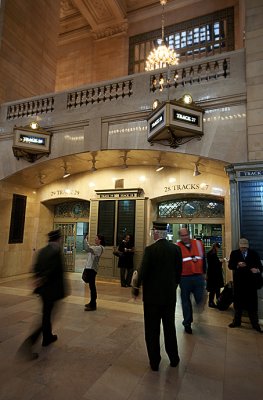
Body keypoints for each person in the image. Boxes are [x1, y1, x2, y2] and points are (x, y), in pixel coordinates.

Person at [132, 225, 182, 371]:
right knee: (169, 327)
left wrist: (136, 288)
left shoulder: (150, 250)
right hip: (169, 297)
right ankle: (174, 358)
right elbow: (179, 272)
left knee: (152, 330)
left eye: (153, 232)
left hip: (151, 299)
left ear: (156, 233)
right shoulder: (176, 249)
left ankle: (154, 362)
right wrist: (172, 287)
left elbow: (143, 271)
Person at [17, 229, 67, 360]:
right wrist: (43, 278)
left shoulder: (42, 251)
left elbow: (35, 268)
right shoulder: (56, 252)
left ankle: (48, 337)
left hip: (43, 290)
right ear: (58, 239)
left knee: (47, 314)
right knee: (46, 317)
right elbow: (52, 271)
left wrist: (38, 279)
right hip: (52, 291)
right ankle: (29, 343)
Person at [228, 238, 262, 332]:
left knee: (252, 305)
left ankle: (255, 324)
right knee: (238, 304)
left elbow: (260, 267)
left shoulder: (254, 254)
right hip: (239, 283)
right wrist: (238, 265)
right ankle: (237, 321)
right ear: (239, 246)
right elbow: (230, 266)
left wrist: (257, 270)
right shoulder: (234, 253)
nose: (244, 249)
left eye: (245, 248)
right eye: (242, 247)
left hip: (251, 284)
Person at [176, 227, 206, 334]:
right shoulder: (177, 247)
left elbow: (204, 259)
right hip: (184, 278)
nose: (184, 237)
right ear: (180, 236)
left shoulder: (198, 244)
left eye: (186, 235)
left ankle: (198, 309)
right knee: (185, 302)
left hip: (198, 276)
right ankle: (187, 323)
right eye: (182, 236)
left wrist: (205, 273)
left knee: (200, 298)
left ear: (189, 234)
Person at [83, 234, 105, 311]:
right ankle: (92, 302)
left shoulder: (99, 248)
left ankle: (93, 304)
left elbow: (87, 248)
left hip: (92, 269)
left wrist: (85, 239)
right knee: (91, 286)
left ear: (100, 240)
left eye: (96, 239)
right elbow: (89, 249)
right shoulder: (96, 247)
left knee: (92, 287)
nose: (95, 240)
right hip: (89, 268)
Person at [206, 242, 224, 307]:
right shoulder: (213, 254)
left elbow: (211, 264)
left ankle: (212, 302)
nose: (218, 250)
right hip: (215, 274)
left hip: (211, 273)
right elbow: (215, 264)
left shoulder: (209, 253)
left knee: (213, 289)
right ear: (216, 247)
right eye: (218, 248)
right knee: (215, 289)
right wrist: (221, 262)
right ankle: (215, 302)